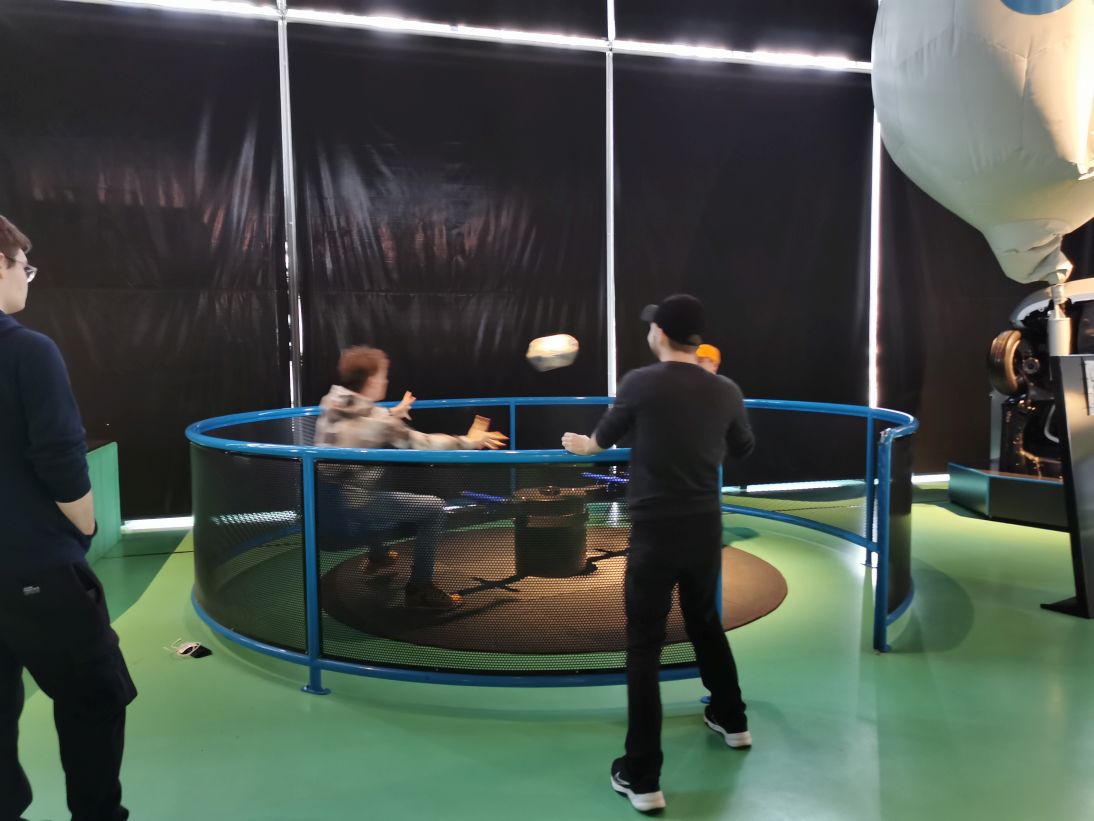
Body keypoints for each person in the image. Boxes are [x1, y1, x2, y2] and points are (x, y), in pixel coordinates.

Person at [562, 293, 755, 813]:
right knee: (705, 623)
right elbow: (743, 448)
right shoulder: (726, 389)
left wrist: (581, 445)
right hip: (703, 530)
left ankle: (642, 776)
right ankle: (733, 719)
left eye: (652, 327)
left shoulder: (639, 383)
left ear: (661, 334)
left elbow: (601, 441)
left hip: (654, 534)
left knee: (644, 647)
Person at [0, 215, 137, 821]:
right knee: (94, 697)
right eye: (23, 267)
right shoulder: (27, 351)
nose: (26, 279)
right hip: (36, 570)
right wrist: (84, 526)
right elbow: (60, 457)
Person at [315, 345, 507, 609]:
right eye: (383, 376)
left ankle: (379, 556)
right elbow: (424, 443)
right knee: (433, 508)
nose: (386, 381)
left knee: (373, 484)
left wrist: (393, 413)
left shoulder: (331, 401)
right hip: (359, 504)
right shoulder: (379, 423)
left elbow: (361, 421)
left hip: (329, 502)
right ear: (370, 381)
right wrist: (471, 441)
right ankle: (420, 588)